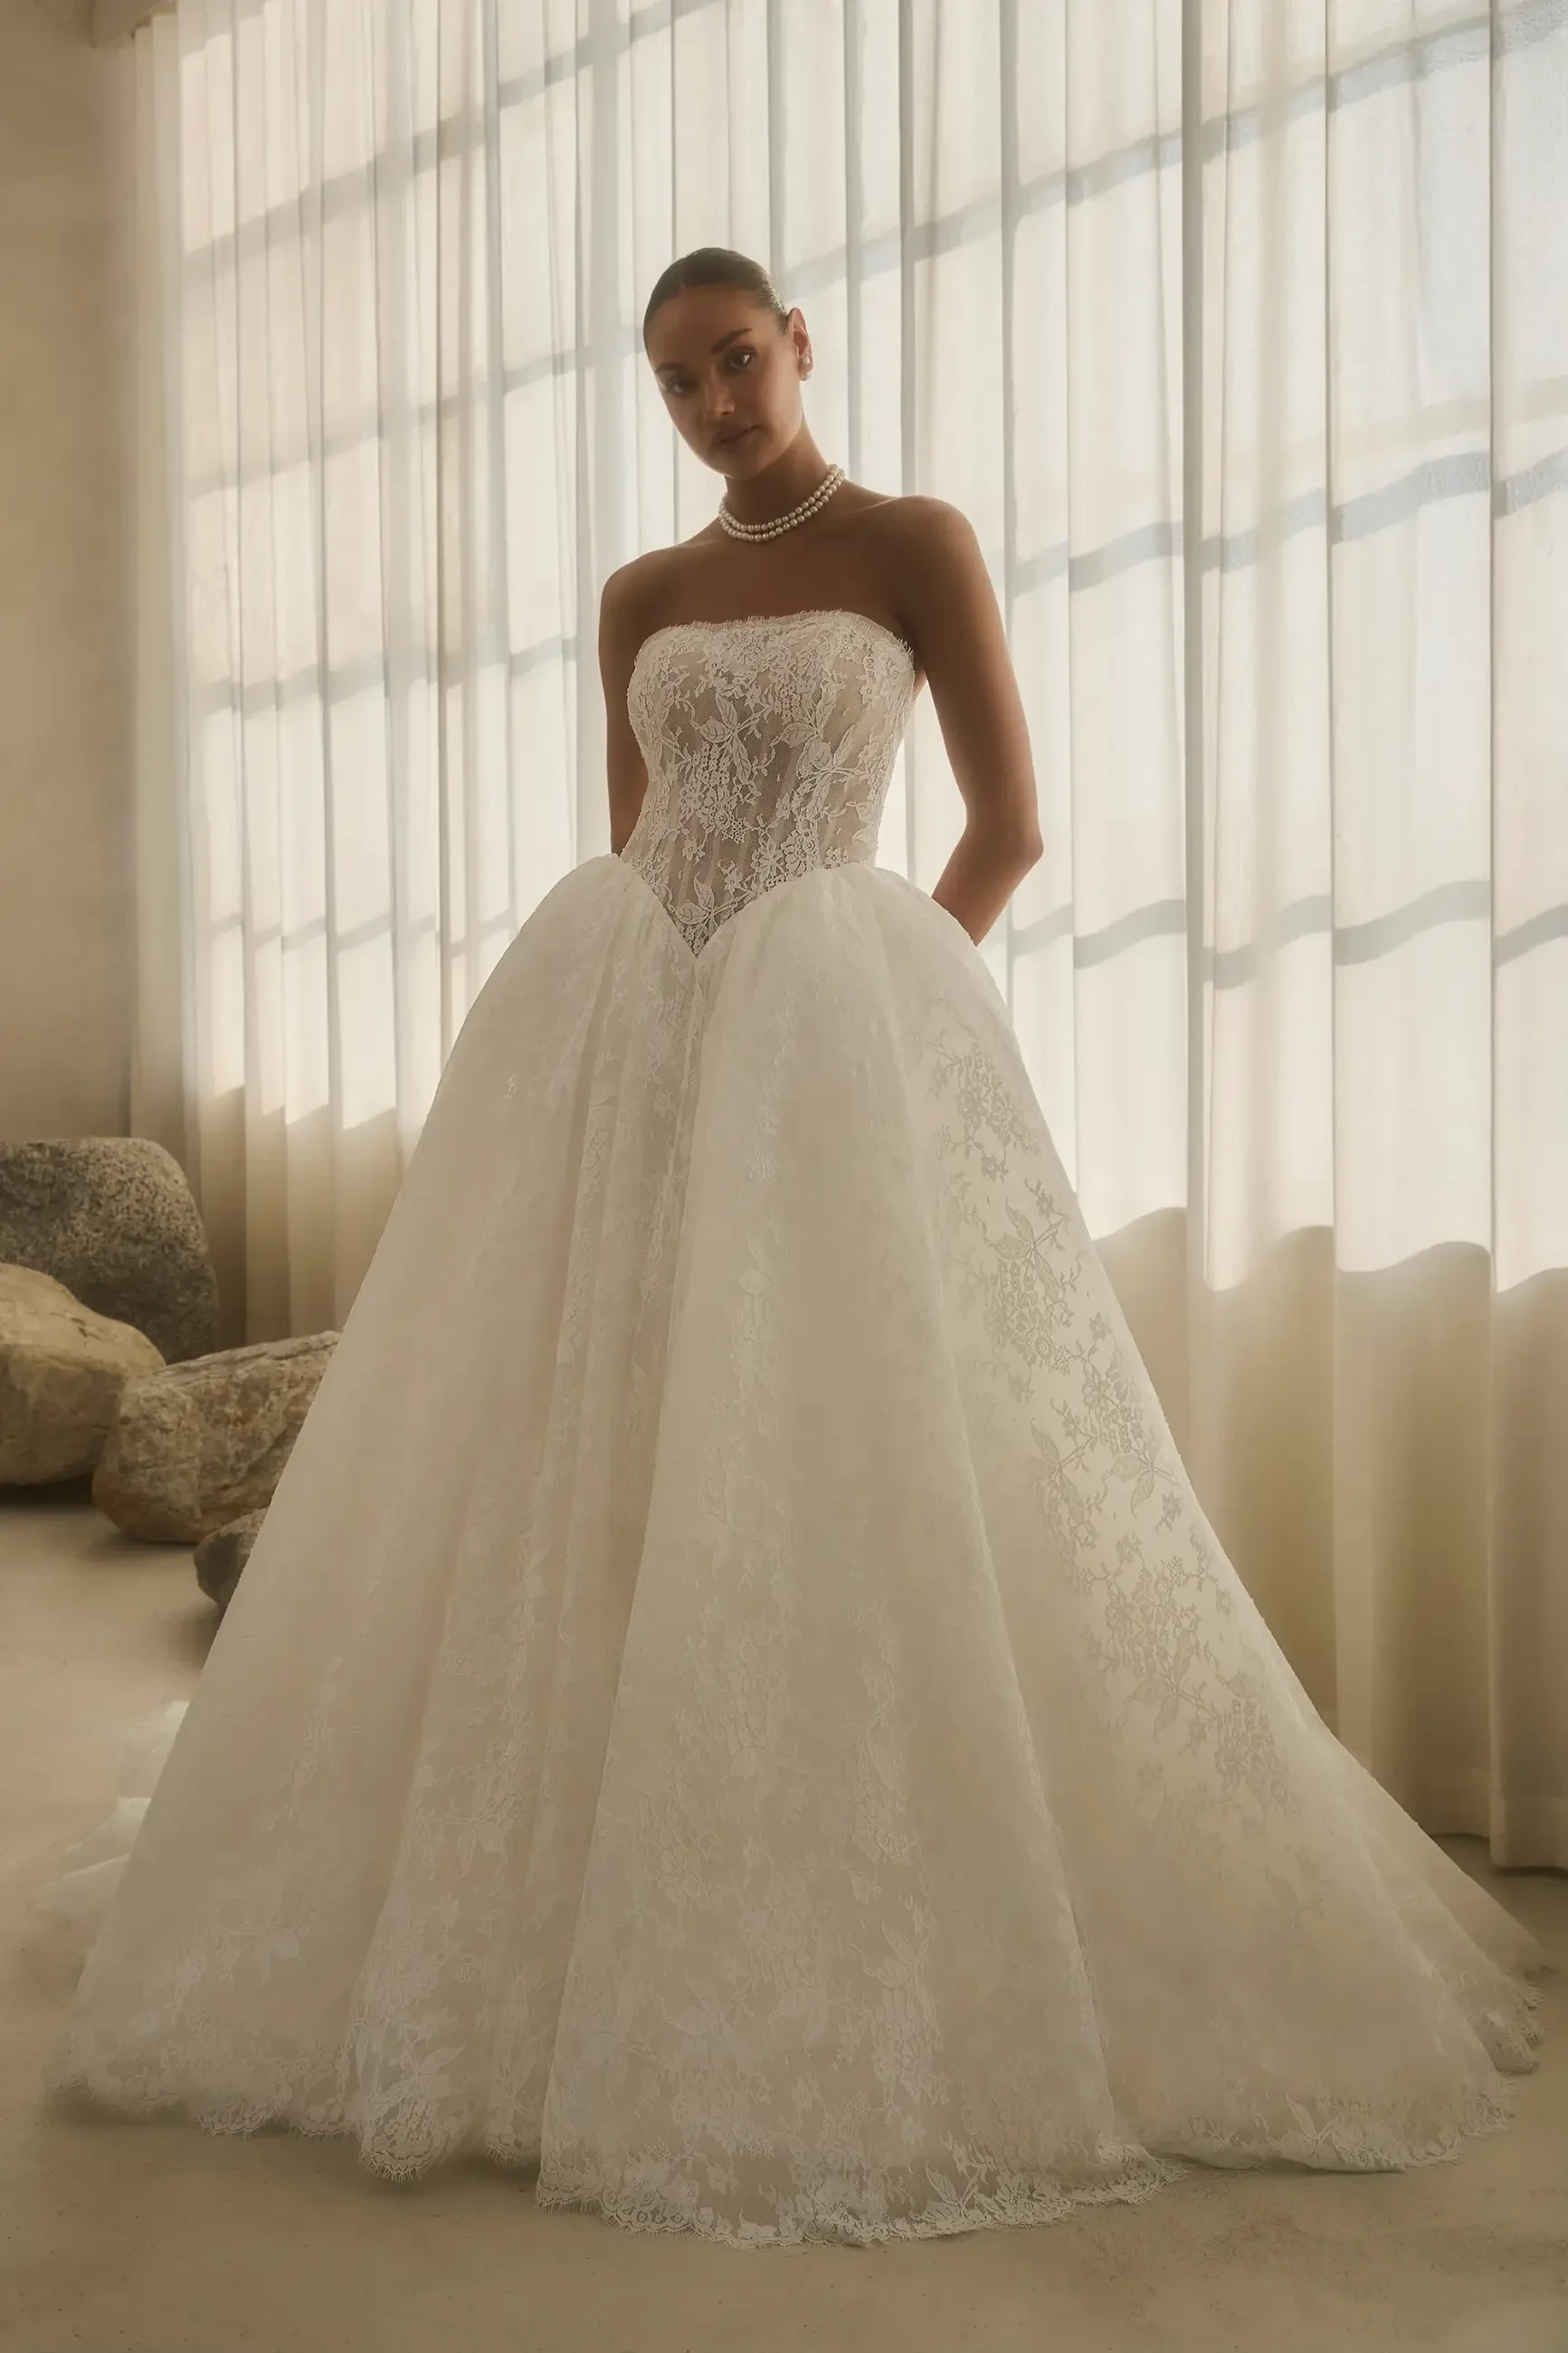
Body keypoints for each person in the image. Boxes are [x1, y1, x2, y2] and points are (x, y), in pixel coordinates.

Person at [35, 246, 1547, 2252]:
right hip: (626, 1040)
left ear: (799, 343)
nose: (714, 406)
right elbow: (634, 827)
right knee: (596, 1435)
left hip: (821, 1046)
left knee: (832, 1447)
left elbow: (1004, 824)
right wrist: (687, 1015)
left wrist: (857, 1001)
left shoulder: (915, 541)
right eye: (675, 383)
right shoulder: (637, 598)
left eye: (735, 362)